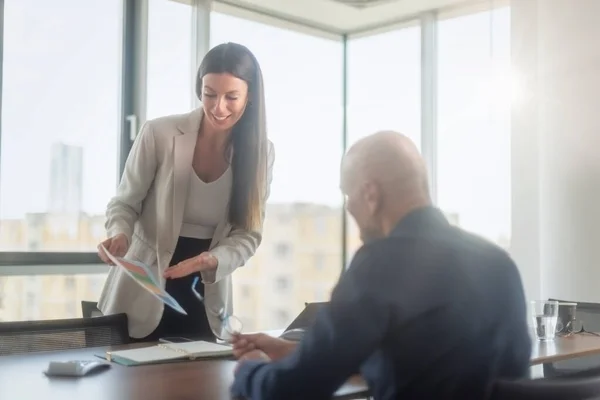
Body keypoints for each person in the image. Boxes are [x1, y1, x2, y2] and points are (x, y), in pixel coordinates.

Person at [230, 131, 531, 400]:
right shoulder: (498, 262)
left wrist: (250, 369)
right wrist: (297, 352)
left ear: (371, 194)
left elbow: (295, 388)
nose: (348, 207)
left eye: (348, 195)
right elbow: (435, 359)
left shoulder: (380, 262)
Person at [96, 42, 274, 341]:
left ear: (251, 96)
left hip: (204, 290)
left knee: (197, 386)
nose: (218, 107)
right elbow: (125, 204)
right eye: (209, 94)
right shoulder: (160, 134)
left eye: (232, 97)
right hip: (143, 289)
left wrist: (212, 259)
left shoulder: (261, 154)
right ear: (199, 90)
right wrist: (120, 233)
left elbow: (248, 234)